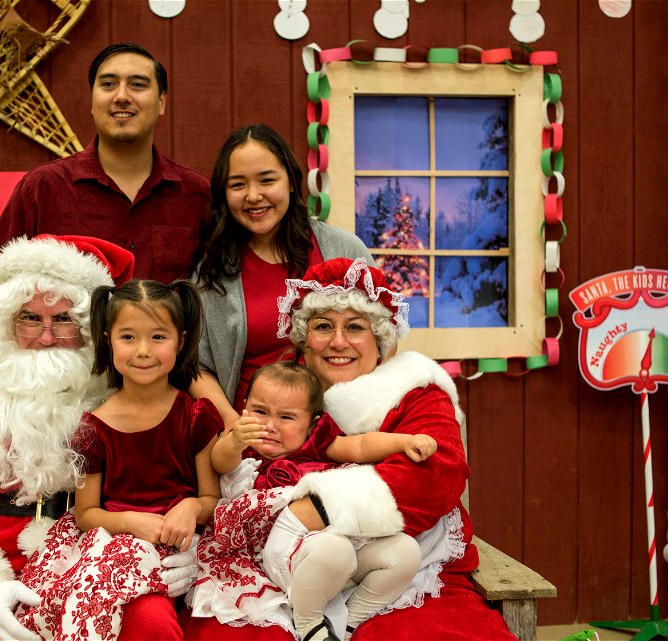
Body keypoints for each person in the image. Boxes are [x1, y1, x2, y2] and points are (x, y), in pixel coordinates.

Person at [0, 42, 210, 439]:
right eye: (108, 84)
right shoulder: (45, 187)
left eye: (138, 84)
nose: (122, 95)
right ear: (91, 101)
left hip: (166, 406)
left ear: (161, 102)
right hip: (66, 406)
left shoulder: (196, 195)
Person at [0, 235, 198, 641]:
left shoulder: (125, 378)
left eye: (63, 320)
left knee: (149, 624)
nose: (46, 336)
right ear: (6, 319)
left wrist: (185, 542)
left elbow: (172, 476)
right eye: (30, 318)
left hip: (100, 555)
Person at [183, 257, 515, 641]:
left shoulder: (416, 391)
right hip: (272, 567)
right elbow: (235, 460)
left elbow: (432, 477)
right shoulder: (280, 389)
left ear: (381, 342)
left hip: (395, 567)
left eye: (355, 327)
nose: (338, 342)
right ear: (303, 342)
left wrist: (316, 510)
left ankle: (350, 620)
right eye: (323, 326)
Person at [13, 279, 221, 641]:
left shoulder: (196, 416)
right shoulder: (91, 429)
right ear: (108, 341)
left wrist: (191, 507)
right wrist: (130, 522)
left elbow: (211, 500)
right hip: (114, 542)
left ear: (182, 341)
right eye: (128, 337)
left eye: (158, 337)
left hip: (180, 553)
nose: (143, 351)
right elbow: (86, 514)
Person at [198, 361, 436, 641]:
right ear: (245, 409)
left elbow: (360, 445)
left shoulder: (317, 444)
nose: (270, 426)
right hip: (277, 559)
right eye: (260, 412)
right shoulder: (244, 449)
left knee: (404, 552)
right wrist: (236, 440)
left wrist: (403, 442)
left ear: (311, 424)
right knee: (333, 548)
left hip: (337, 559)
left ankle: (350, 621)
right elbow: (220, 462)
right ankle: (308, 623)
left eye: (286, 418)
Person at [189, 123, 373, 427]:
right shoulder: (213, 273)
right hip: (259, 439)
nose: (253, 196)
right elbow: (198, 366)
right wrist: (234, 426)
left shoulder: (342, 249)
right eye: (237, 185)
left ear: (290, 180)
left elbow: (386, 333)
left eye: (267, 180)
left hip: (345, 429)